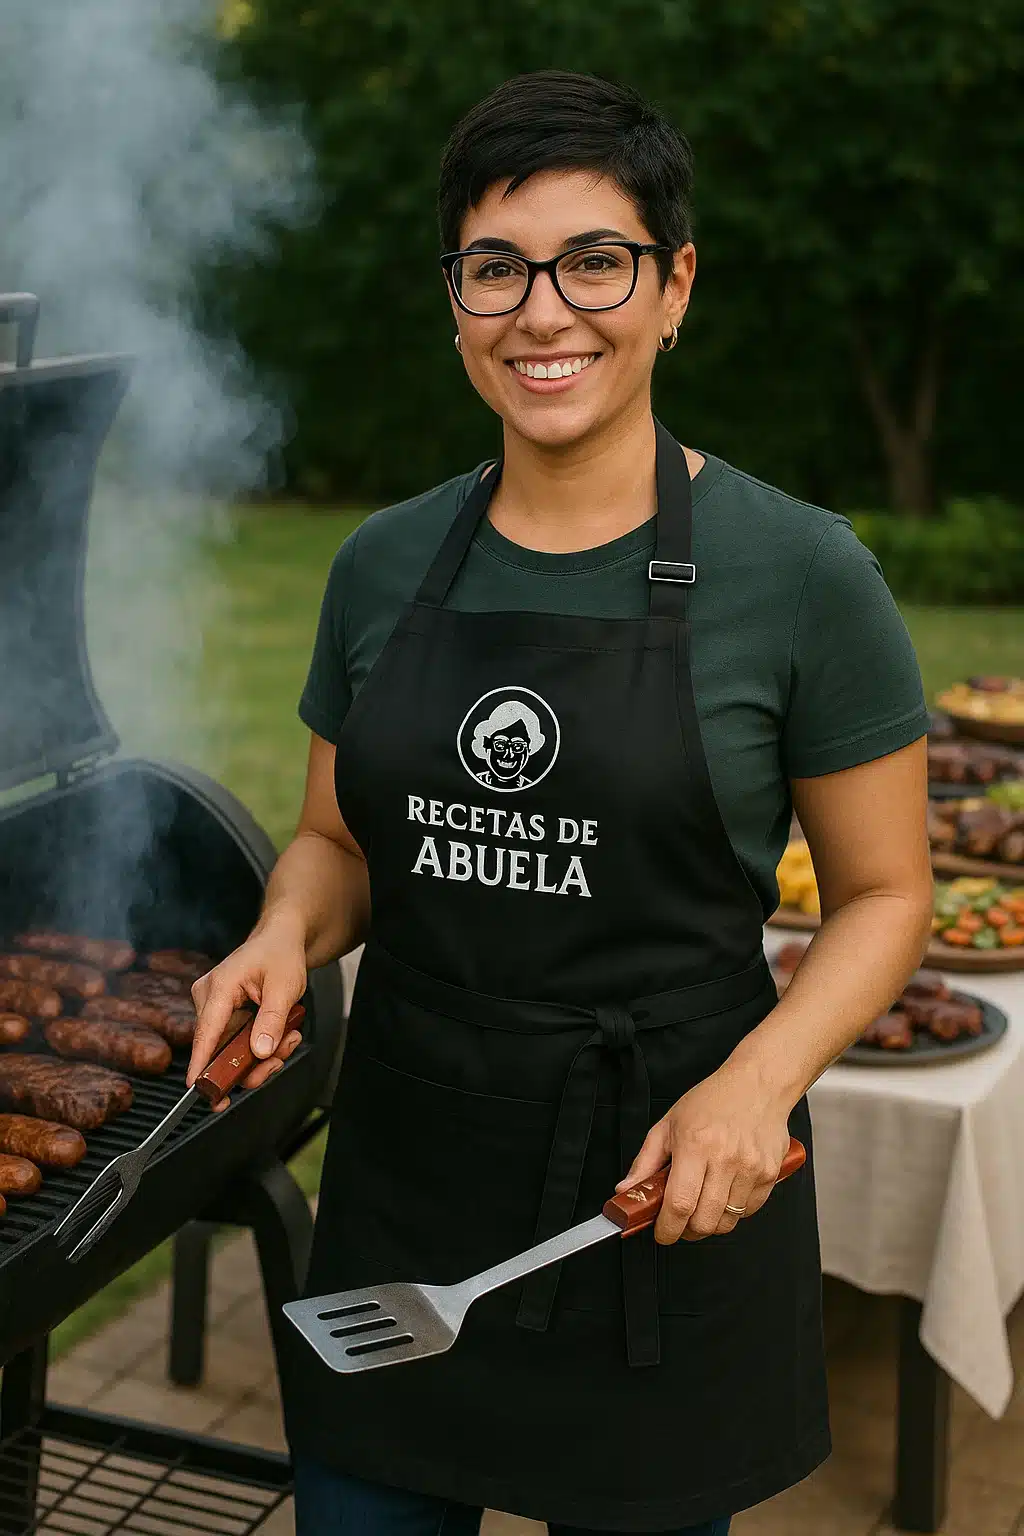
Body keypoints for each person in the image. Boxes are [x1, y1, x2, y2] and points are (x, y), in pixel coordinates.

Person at [188, 69, 933, 1536]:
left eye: (596, 260)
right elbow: (341, 843)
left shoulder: (801, 574)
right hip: (410, 1185)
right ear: (454, 298)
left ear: (674, 287)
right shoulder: (385, 564)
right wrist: (286, 930)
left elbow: (888, 896)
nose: (544, 311)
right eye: (496, 268)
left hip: (662, 1190)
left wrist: (757, 1084)